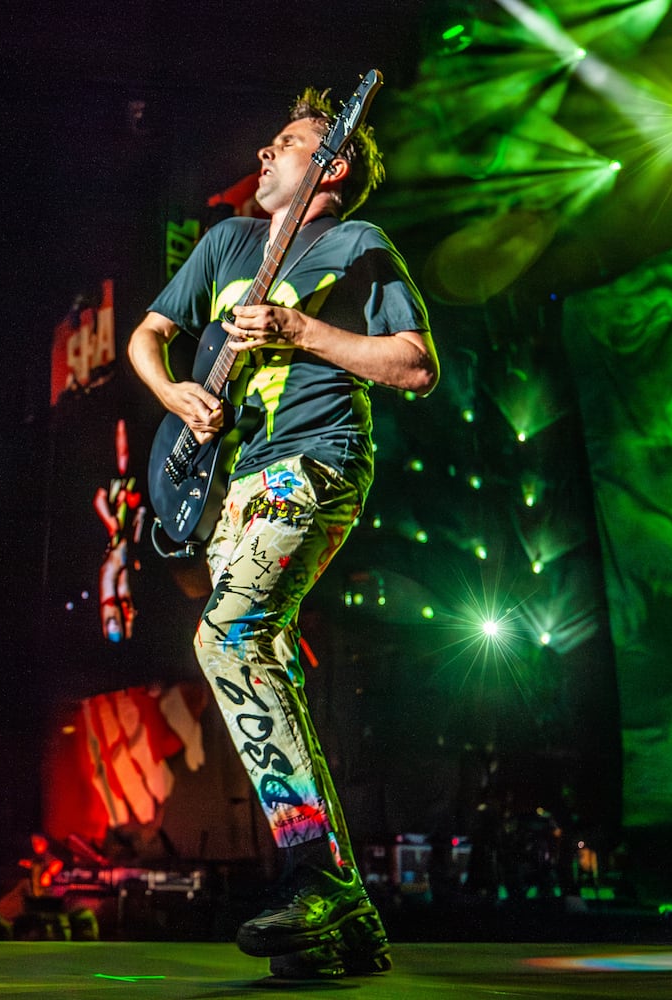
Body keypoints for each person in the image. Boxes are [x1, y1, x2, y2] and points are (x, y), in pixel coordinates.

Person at [127, 86, 438, 979]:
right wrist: (175, 393)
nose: (264, 157)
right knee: (255, 660)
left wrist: (303, 329)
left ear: (330, 165)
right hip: (237, 485)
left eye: (286, 146)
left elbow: (415, 364)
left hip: (316, 464)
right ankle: (347, 915)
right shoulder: (225, 246)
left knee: (229, 638)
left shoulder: (355, 245)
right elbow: (150, 335)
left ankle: (312, 873)